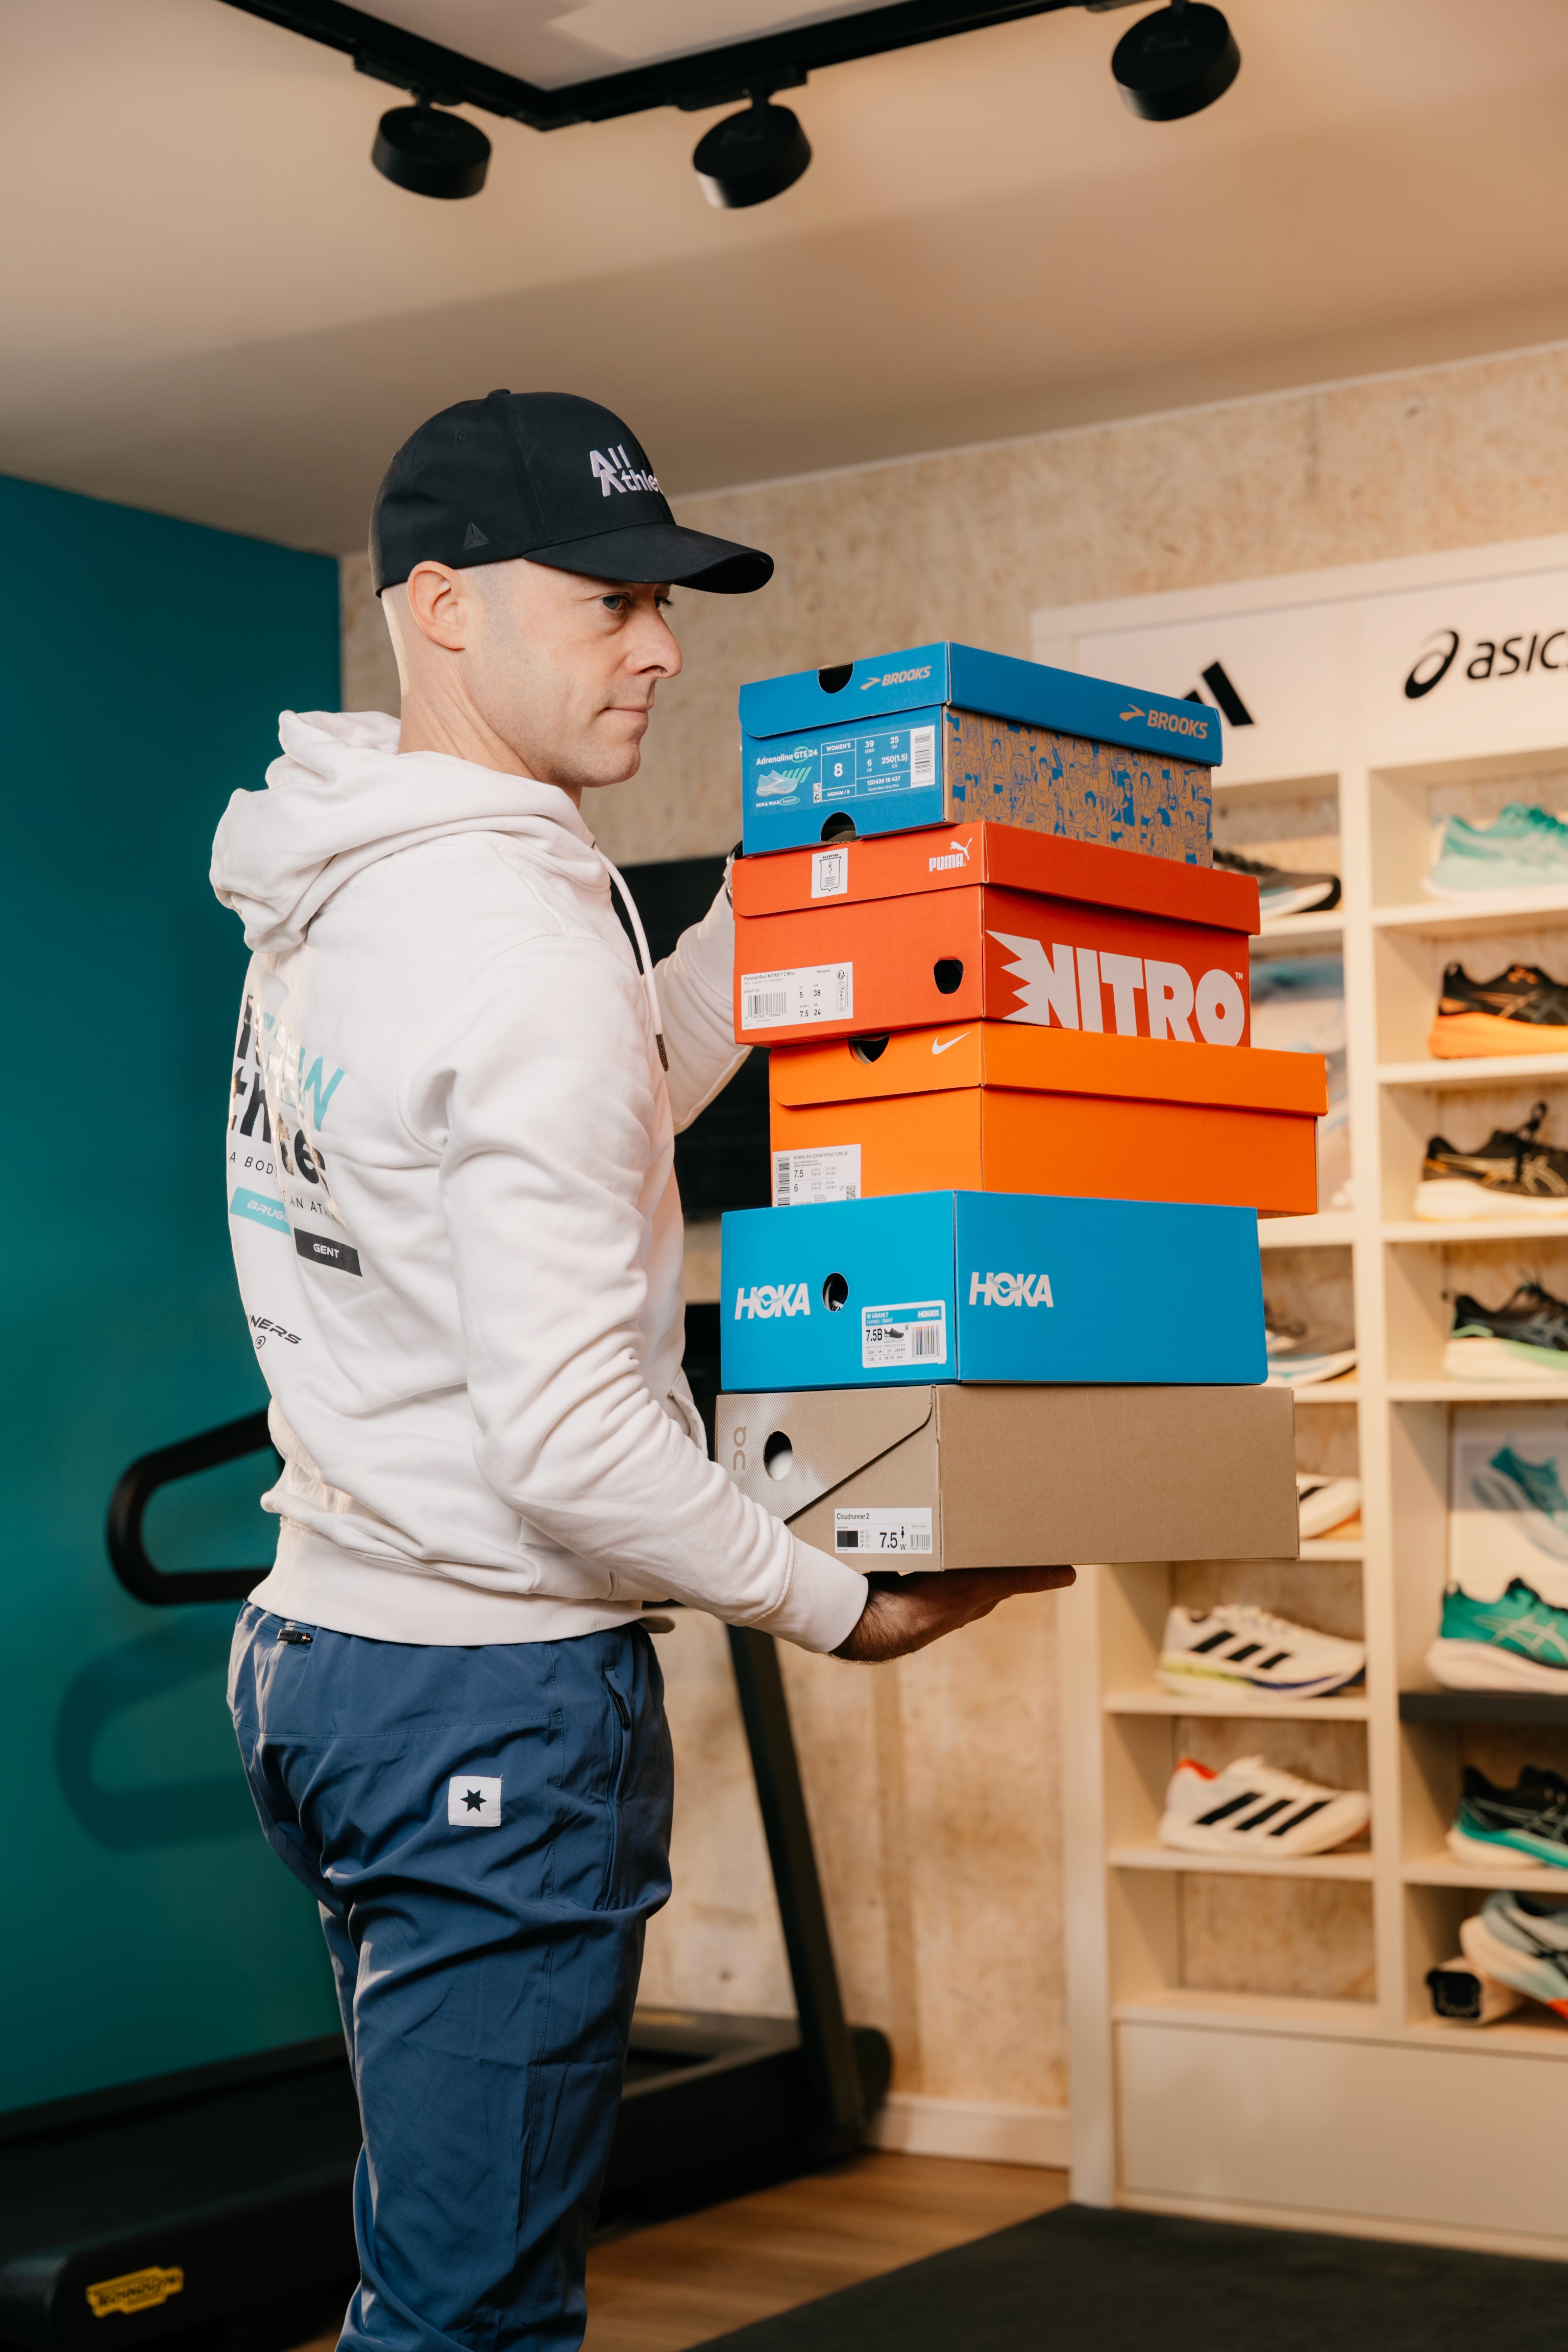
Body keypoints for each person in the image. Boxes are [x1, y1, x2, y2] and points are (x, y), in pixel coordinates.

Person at [211, 389, 1070, 2352]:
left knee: (435, 2279)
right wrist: (847, 1608)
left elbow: (587, 1117)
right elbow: (581, 1437)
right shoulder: (505, 933)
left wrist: (764, 921)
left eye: (663, 603)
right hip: (481, 1699)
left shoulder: (347, 885)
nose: (662, 645)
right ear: (440, 606)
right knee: (472, 2320)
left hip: (321, 1650)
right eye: (604, 604)